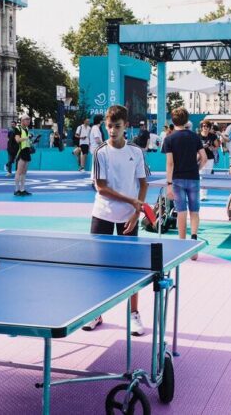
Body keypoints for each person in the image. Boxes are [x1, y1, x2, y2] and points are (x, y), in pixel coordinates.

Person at [83, 105, 150, 335]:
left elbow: (143, 184)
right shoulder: (100, 152)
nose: (112, 130)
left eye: (117, 126)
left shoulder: (136, 152)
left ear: (126, 127)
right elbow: (101, 188)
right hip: (102, 213)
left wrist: (135, 211)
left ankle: (133, 315)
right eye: (109, 126)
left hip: (128, 217)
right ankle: (96, 312)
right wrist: (131, 201)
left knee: (131, 268)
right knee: (98, 267)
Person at [162, 107, 207, 260]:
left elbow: (170, 163)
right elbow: (204, 158)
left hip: (177, 180)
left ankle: (182, 245)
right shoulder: (195, 137)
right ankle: (193, 241)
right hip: (193, 178)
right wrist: (197, 167)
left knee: (181, 211)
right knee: (194, 211)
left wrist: (168, 184)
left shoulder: (169, 139)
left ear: (172, 121)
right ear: (187, 120)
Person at [198, 120, 220, 201]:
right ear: (201, 127)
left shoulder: (212, 136)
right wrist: (202, 147)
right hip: (200, 158)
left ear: (209, 127)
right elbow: (194, 147)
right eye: (203, 126)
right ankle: (201, 195)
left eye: (207, 126)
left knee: (207, 176)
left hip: (210, 158)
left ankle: (204, 194)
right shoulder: (197, 136)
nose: (205, 127)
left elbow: (217, 146)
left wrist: (212, 148)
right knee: (201, 176)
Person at [13, 115, 33, 196]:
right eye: (27, 119)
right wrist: (27, 138)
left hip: (27, 151)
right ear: (22, 120)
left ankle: (22, 189)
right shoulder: (18, 128)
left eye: (29, 119)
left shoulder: (27, 129)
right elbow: (17, 140)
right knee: (19, 171)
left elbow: (26, 140)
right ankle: (16, 190)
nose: (29, 121)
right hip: (21, 151)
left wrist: (30, 141)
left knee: (24, 172)